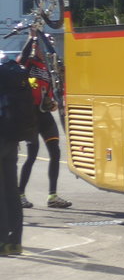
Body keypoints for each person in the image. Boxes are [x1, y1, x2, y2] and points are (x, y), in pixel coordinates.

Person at [16, 34, 70, 209]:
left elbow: (48, 90)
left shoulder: (46, 68)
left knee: (55, 153)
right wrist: (32, 37)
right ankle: (20, 194)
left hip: (44, 114)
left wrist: (53, 102)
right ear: (35, 47)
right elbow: (22, 58)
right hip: (30, 115)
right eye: (41, 46)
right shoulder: (28, 63)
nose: (44, 50)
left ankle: (52, 196)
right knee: (32, 155)